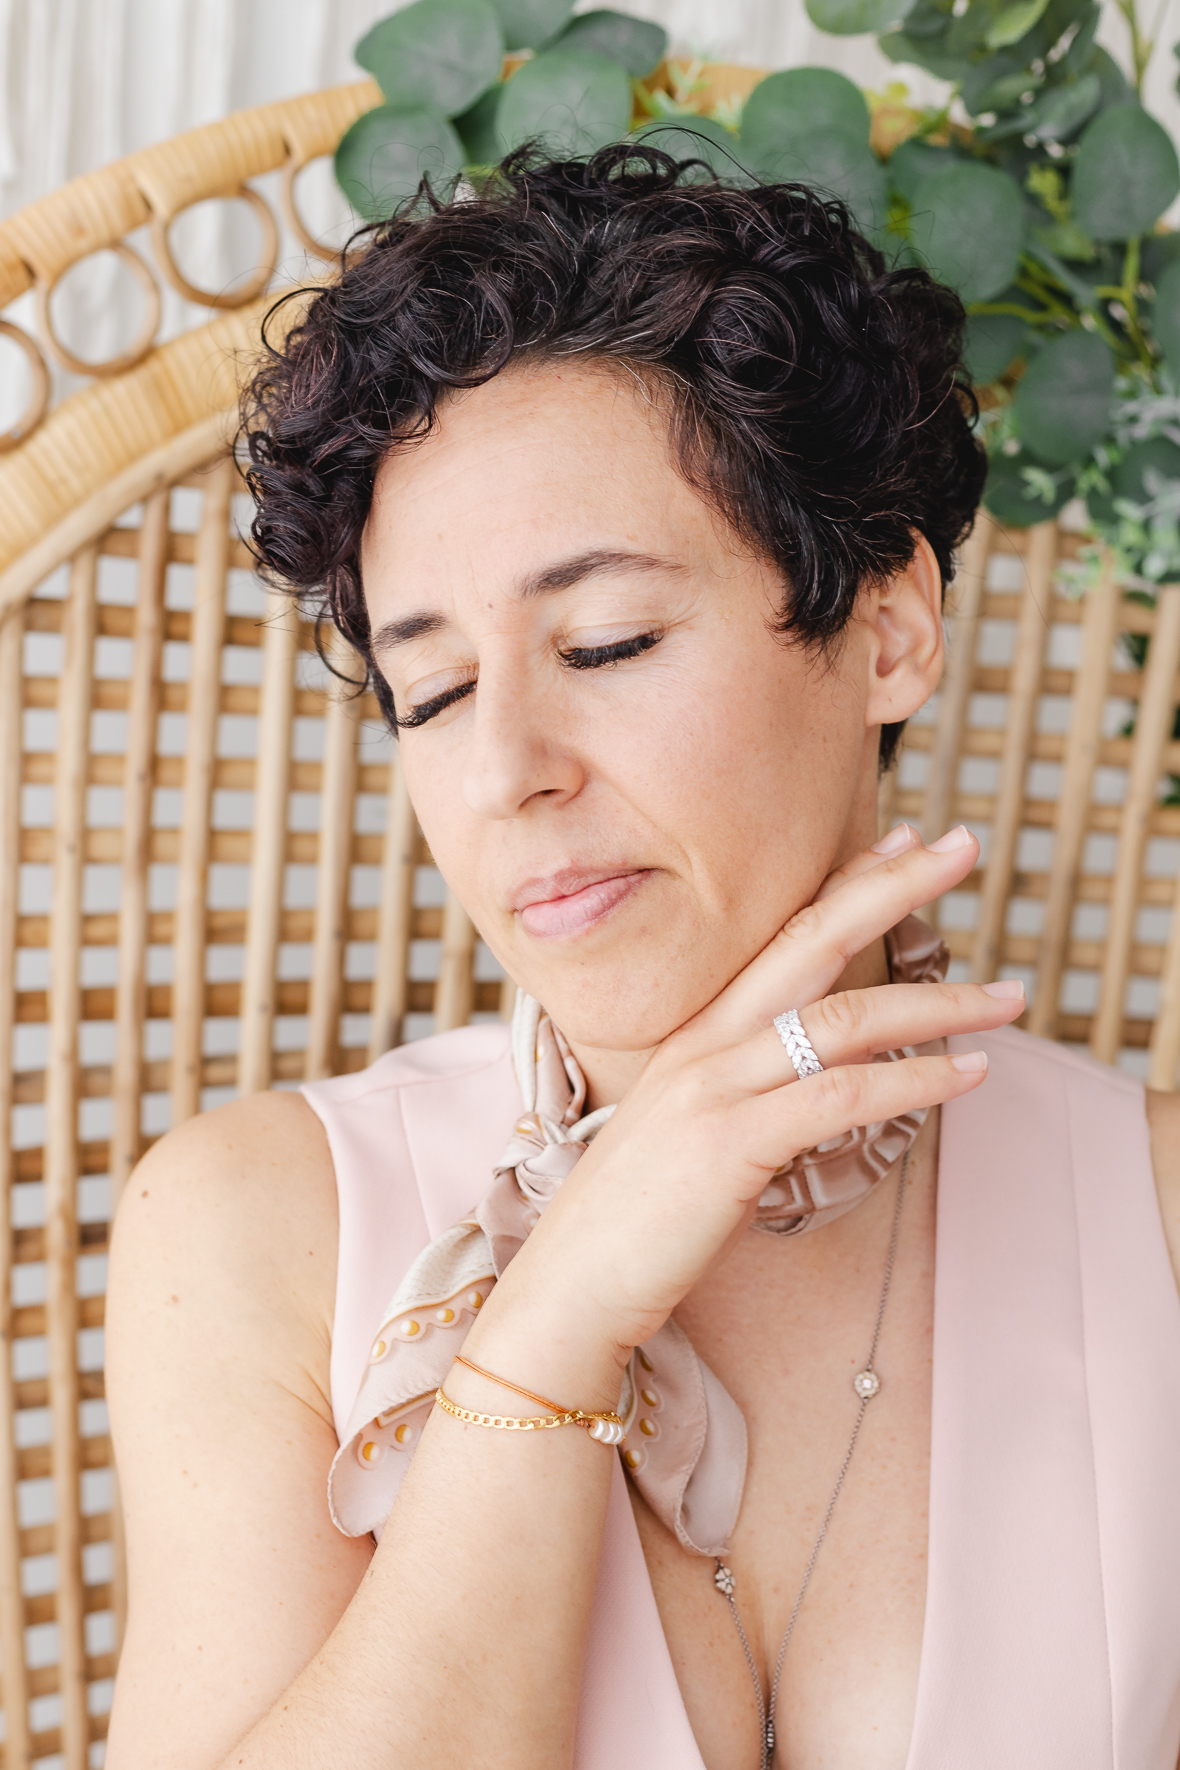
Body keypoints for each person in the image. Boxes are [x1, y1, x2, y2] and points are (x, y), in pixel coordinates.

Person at [104, 148, 1180, 1770]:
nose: (504, 771)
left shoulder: (1154, 1213)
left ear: (887, 625)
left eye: (604, 641)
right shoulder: (253, 1227)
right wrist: (553, 1320)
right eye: (433, 693)